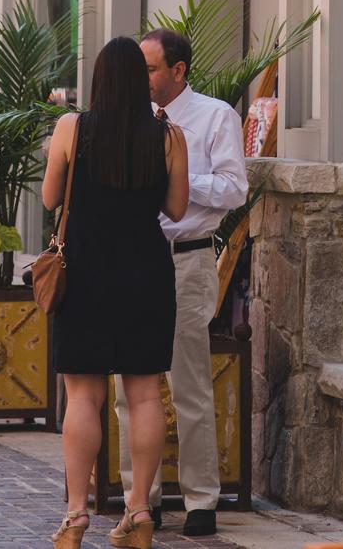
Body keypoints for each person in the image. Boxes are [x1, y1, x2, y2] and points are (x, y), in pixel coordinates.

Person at [51, 35, 191, 549]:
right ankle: (138, 514)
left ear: (98, 80)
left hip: (84, 271)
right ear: (140, 80)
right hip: (145, 272)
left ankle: (75, 517)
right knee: (145, 393)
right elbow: (177, 210)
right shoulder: (168, 136)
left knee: (83, 395)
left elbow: (50, 196)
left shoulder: (72, 127)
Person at [121, 28, 245, 539]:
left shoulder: (216, 116)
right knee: (131, 384)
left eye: (150, 69)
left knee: (188, 381)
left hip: (186, 262)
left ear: (178, 70)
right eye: (139, 69)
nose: (142, 78)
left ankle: (201, 499)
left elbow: (235, 188)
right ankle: (139, 497)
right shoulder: (127, 121)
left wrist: (174, 176)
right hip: (133, 262)